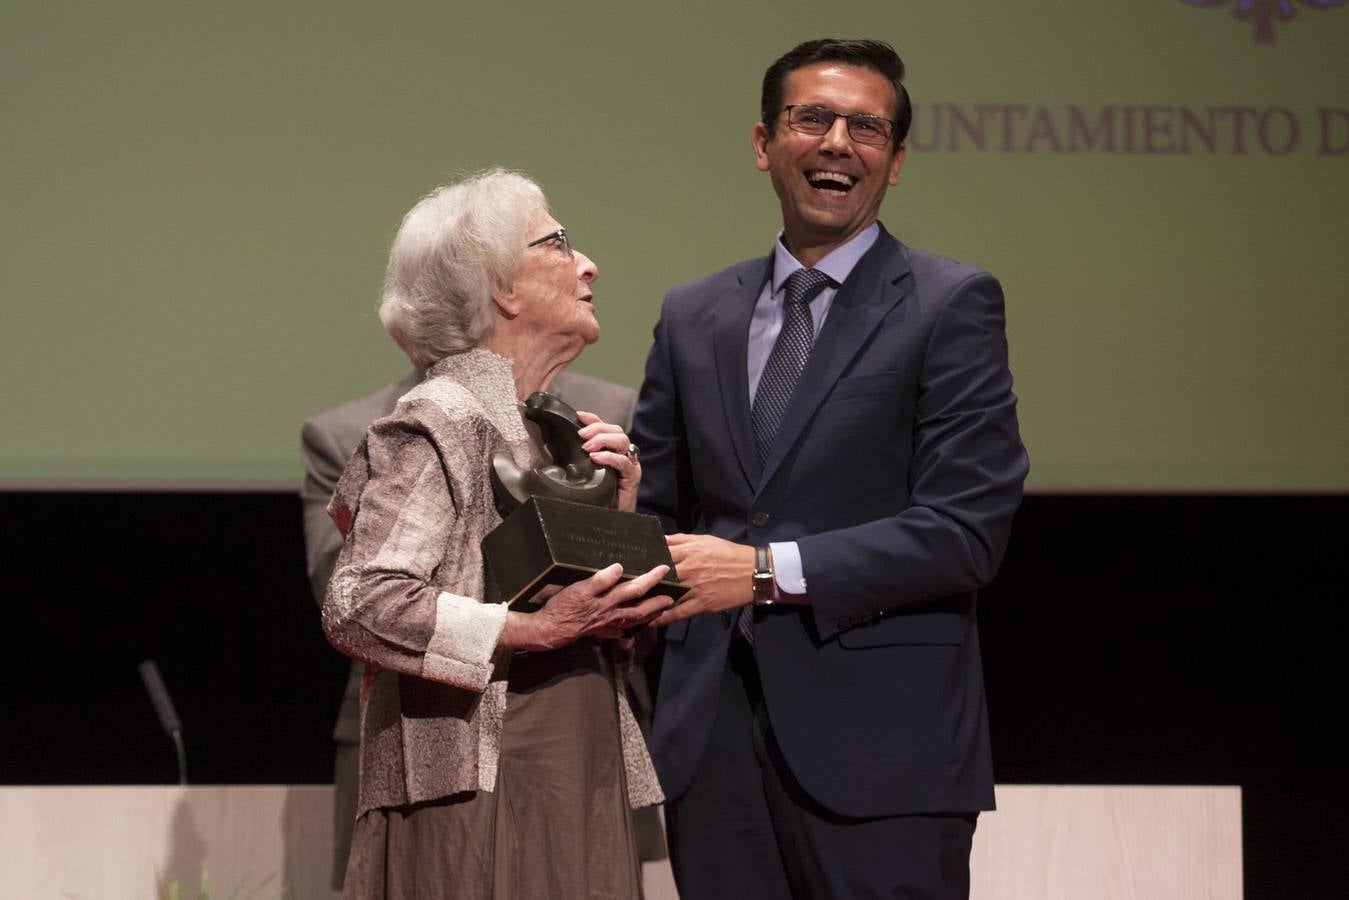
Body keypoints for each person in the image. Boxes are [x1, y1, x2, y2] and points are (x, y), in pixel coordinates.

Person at [631, 38, 1030, 899]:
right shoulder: (693, 313)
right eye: (811, 118)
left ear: (893, 163)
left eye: (866, 127)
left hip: (885, 747)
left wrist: (766, 573)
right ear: (763, 144)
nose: (837, 142)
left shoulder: (950, 304)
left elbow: (965, 532)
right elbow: (655, 515)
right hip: (711, 742)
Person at [320, 168, 673, 898]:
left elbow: (606, 628)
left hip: (579, 764)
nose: (587, 263)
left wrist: (625, 539)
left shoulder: (554, 435)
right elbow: (358, 601)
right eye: (558, 243)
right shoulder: (435, 421)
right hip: (477, 776)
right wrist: (526, 632)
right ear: (501, 288)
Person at [300, 366, 649, 890]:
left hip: (583, 729)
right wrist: (529, 623)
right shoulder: (392, 426)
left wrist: (617, 552)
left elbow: (635, 608)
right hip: (437, 727)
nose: (589, 277)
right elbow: (356, 598)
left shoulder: (608, 417)